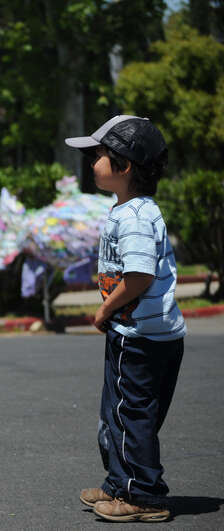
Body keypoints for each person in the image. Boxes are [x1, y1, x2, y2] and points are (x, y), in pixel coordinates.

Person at [65, 115, 186, 523]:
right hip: (151, 332)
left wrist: (105, 308)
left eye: (99, 154)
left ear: (125, 164)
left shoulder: (132, 217)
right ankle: (120, 483)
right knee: (122, 412)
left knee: (130, 414)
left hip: (136, 335)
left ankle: (143, 495)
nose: (92, 162)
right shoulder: (135, 209)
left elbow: (139, 276)